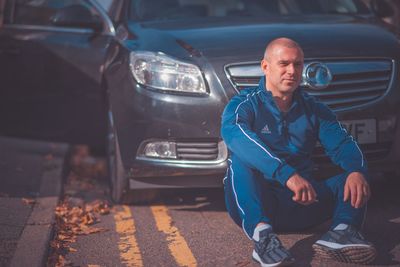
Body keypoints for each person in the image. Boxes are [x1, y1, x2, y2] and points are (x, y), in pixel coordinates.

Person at [221, 37, 376, 266]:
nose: (291, 71)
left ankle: (342, 232)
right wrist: (287, 174)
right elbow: (234, 136)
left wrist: (356, 169)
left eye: (298, 64)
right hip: (261, 203)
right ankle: (264, 239)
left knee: (352, 177)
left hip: (304, 202)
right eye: (284, 64)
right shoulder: (244, 105)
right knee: (239, 162)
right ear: (265, 66)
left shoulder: (314, 108)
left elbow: (342, 144)